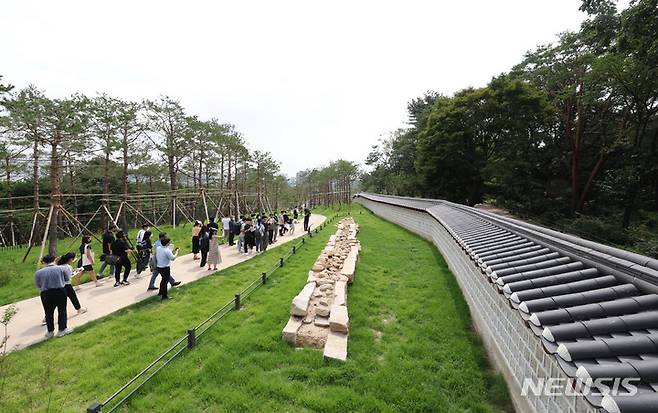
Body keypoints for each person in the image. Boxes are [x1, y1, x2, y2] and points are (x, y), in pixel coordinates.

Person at [35, 255, 73, 338]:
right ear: (54, 260)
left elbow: (37, 285)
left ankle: (50, 331)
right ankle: (62, 329)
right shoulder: (61, 268)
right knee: (62, 310)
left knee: (48, 312)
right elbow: (67, 279)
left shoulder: (38, 272)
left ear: (44, 262)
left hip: (45, 293)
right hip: (59, 290)